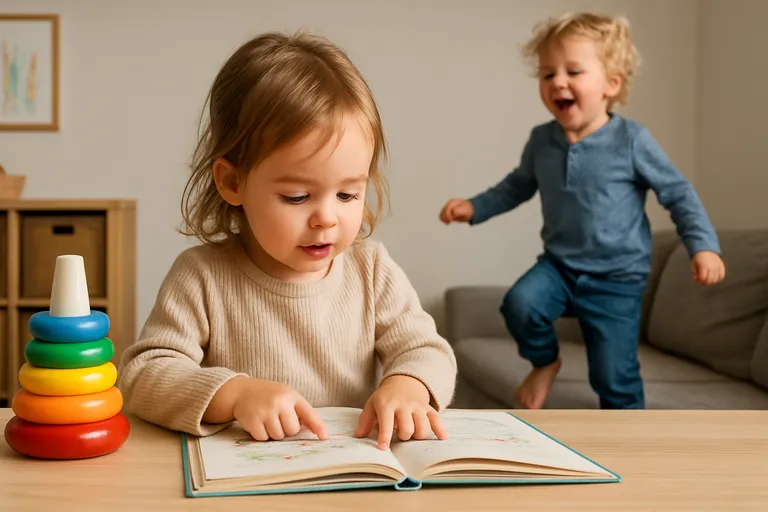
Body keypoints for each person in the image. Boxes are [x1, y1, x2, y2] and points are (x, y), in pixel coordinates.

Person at [118, 31, 457, 450]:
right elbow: (144, 373)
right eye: (297, 197)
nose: (326, 219)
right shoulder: (201, 276)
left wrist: (408, 386)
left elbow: (428, 350)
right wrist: (235, 394)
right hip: (243, 484)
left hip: (352, 481)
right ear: (232, 182)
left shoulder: (371, 270)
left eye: (348, 194)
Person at [438, 12, 725, 410]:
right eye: (547, 74)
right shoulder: (542, 140)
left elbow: (677, 193)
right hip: (559, 267)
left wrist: (703, 245)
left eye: (573, 70)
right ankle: (545, 362)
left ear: (612, 83)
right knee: (520, 304)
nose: (558, 81)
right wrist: (474, 207)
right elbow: (517, 186)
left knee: (613, 377)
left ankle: (633, 447)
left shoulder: (631, 141)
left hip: (617, 279)